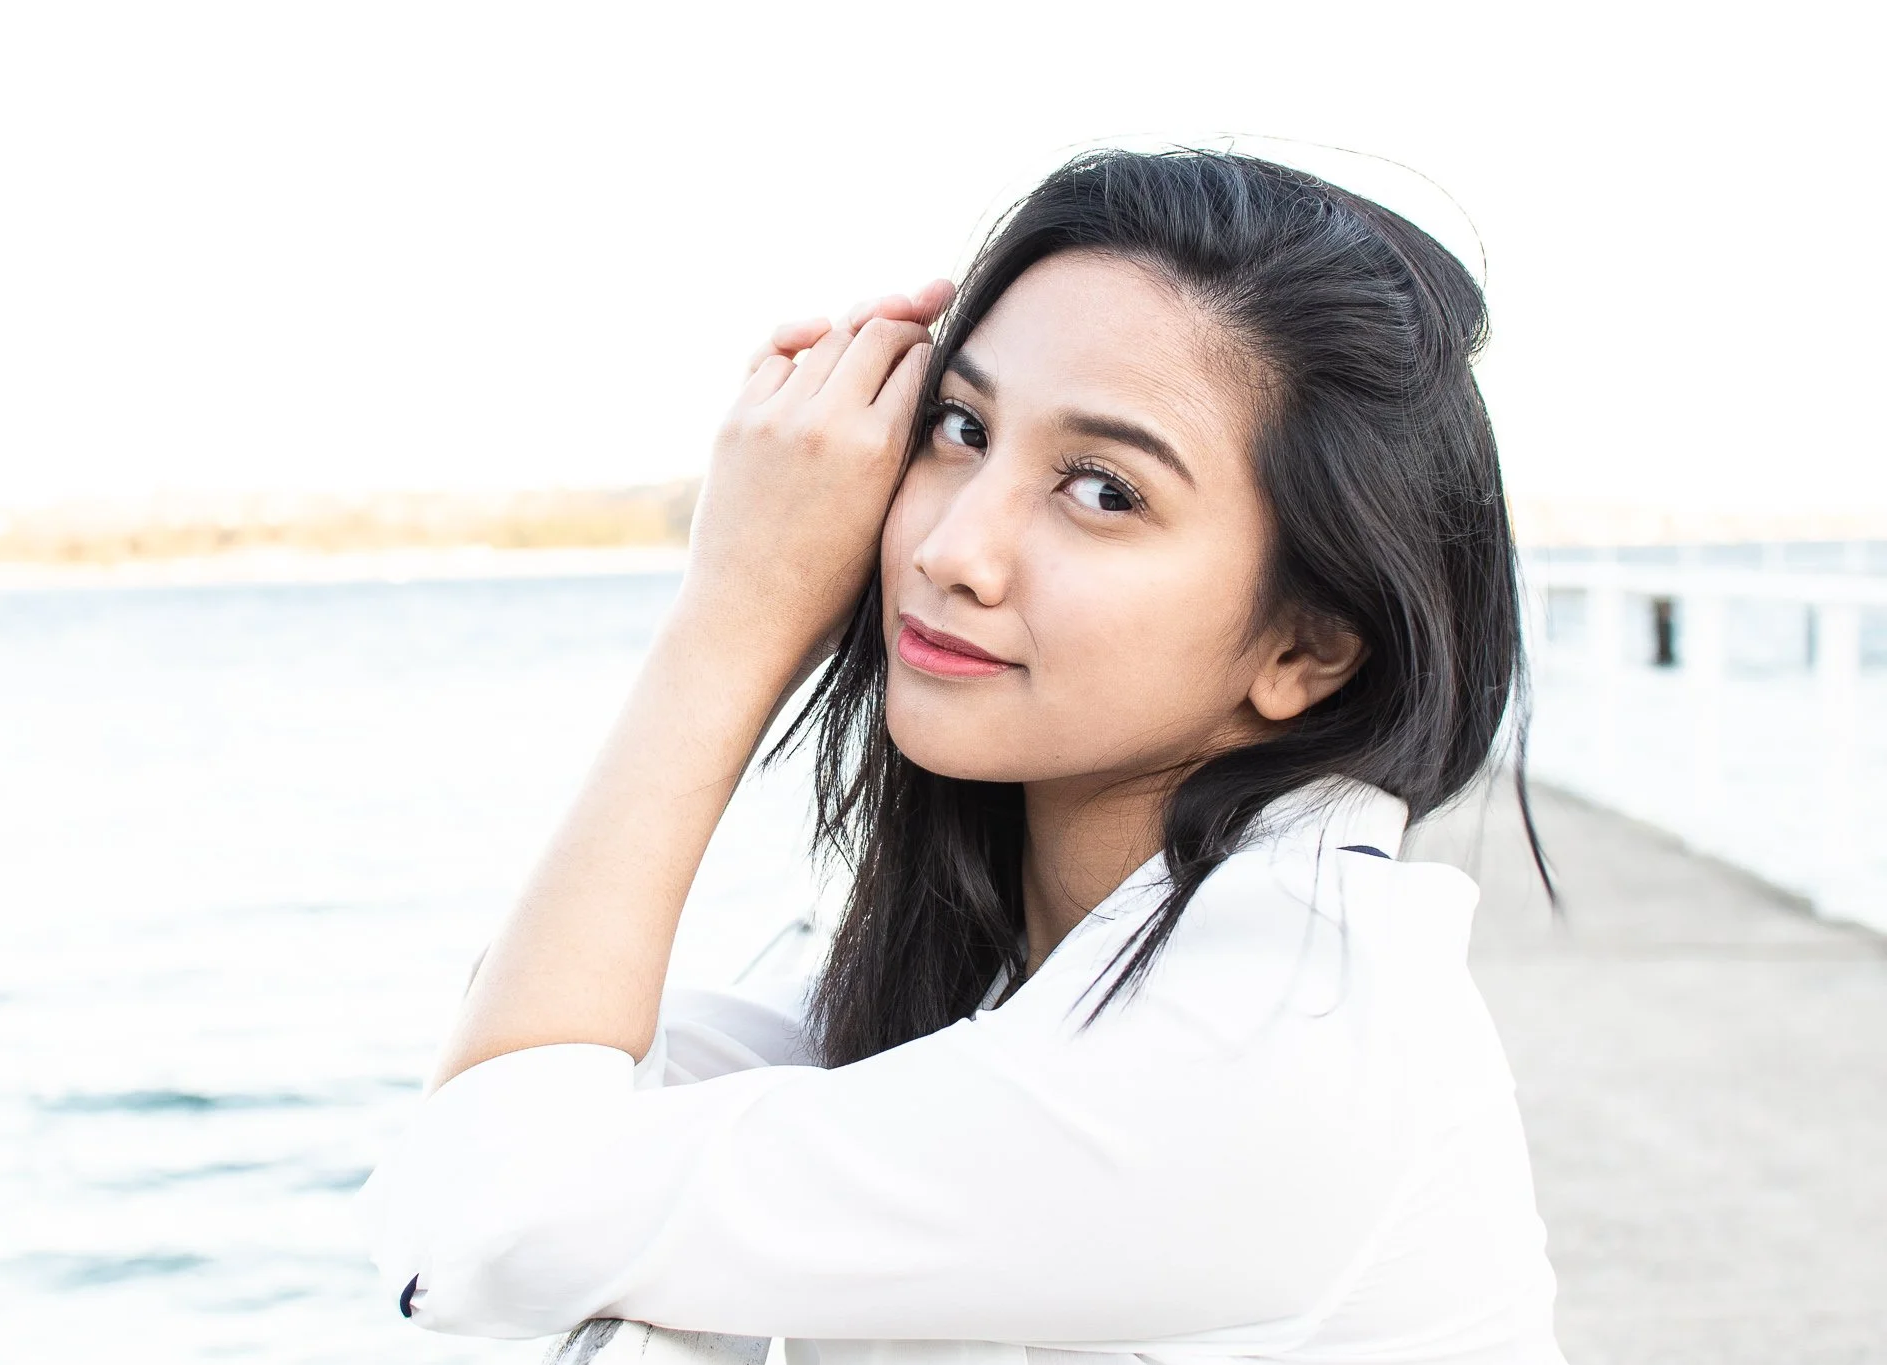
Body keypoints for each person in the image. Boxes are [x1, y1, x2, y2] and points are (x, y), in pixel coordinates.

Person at [354, 147, 1566, 1364]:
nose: (951, 547)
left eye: (1101, 491)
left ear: (1308, 647)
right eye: (958, 426)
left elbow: (468, 1221)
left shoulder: (1276, 1027)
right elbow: (536, 1085)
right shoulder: (1012, 965)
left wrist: (734, 618)